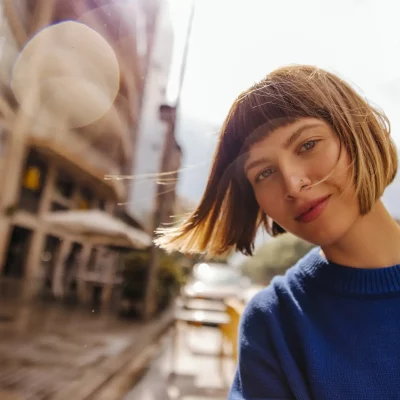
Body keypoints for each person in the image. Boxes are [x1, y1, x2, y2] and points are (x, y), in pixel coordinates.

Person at [155, 65, 400, 399]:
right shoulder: (274, 324)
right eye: (264, 173)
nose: (293, 184)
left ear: (356, 134)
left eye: (308, 145)